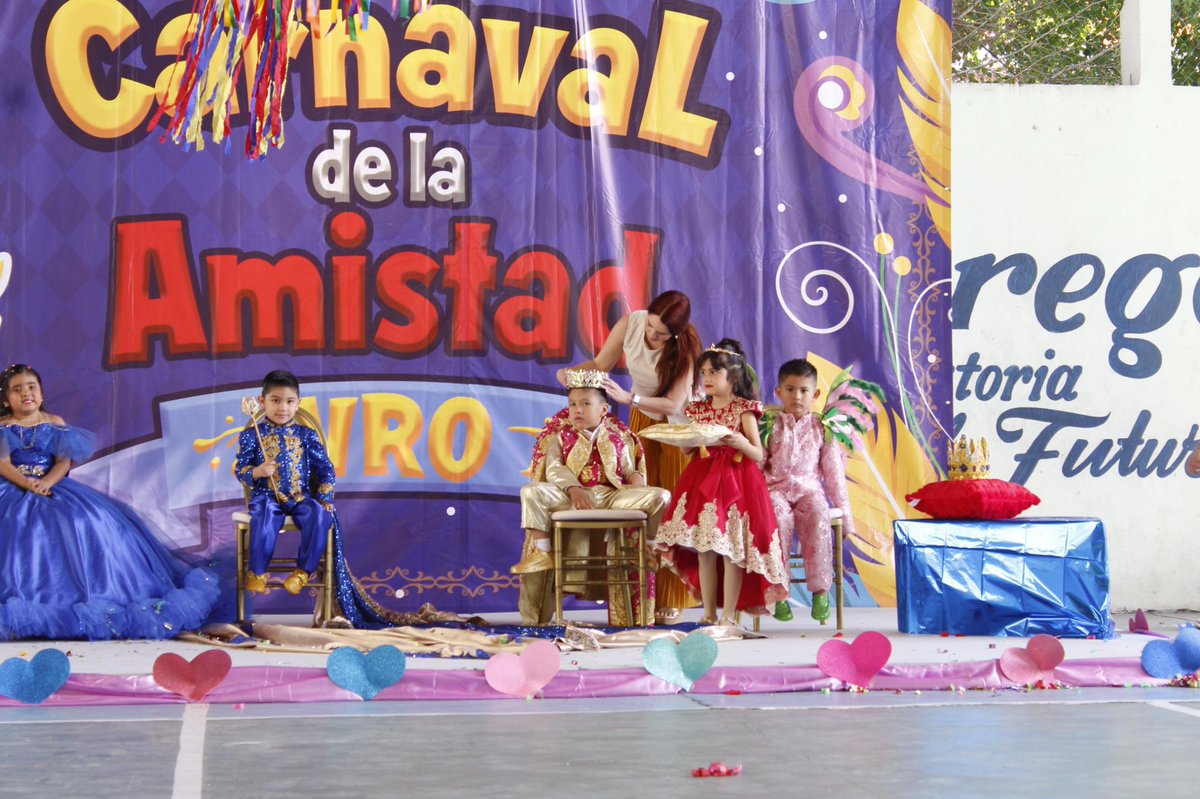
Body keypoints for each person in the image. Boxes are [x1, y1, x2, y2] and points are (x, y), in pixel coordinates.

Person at [0, 364, 219, 640]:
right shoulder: (4, 427)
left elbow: (63, 461)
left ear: (41, 394)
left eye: (31, 387)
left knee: (85, 520)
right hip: (13, 486)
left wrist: (46, 483)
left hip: (51, 485)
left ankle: (91, 597)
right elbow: (3, 463)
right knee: (16, 526)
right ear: (7, 399)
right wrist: (27, 484)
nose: (26, 393)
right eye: (17, 390)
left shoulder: (54, 422)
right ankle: (25, 603)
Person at [557, 289, 702, 624]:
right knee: (640, 504)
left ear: (675, 334)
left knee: (671, 507)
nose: (652, 335)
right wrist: (570, 374)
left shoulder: (686, 347)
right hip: (641, 423)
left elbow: (672, 404)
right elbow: (599, 364)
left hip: (675, 429)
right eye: (650, 326)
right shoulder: (630, 324)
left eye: (660, 333)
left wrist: (629, 397)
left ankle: (673, 595)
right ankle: (640, 595)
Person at [512, 370, 670, 626]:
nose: (577, 410)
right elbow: (553, 469)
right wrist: (573, 488)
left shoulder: (619, 438)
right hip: (569, 497)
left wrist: (636, 480)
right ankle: (542, 552)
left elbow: (628, 469)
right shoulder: (560, 436)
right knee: (530, 490)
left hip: (610, 497)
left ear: (604, 409)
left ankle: (649, 548)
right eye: (573, 404)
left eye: (586, 404)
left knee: (661, 496)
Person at [655, 340, 789, 624]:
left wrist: (740, 441)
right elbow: (688, 449)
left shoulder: (744, 409)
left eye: (714, 373)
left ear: (734, 377)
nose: (707, 379)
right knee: (705, 549)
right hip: (703, 481)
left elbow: (758, 454)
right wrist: (688, 439)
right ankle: (708, 613)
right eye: (704, 373)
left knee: (732, 552)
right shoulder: (699, 409)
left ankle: (729, 616)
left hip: (738, 484)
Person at [762, 359, 855, 623]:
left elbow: (834, 475)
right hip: (775, 490)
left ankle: (821, 591)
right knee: (776, 518)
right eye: (790, 389)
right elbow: (757, 466)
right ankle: (778, 593)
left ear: (814, 395)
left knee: (818, 516)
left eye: (804, 390)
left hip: (809, 490)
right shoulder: (769, 426)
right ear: (779, 393)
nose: (797, 396)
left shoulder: (823, 429)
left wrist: (845, 516)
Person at [235, 370, 336, 596]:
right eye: (276, 401)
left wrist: (325, 497)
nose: (283, 408)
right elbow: (240, 470)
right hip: (266, 496)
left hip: (301, 496)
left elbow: (326, 469)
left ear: (298, 403)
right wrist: (257, 472)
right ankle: (257, 572)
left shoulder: (306, 435)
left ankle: (302, 572)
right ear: (262, 402)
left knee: (320, 516)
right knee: (264, 518)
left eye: (290, 402)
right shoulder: (252, 435)